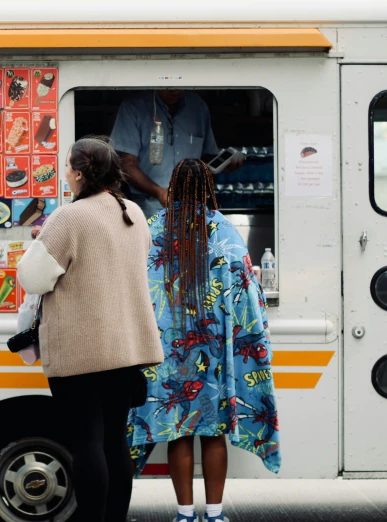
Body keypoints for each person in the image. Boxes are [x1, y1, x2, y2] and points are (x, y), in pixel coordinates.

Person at [17, 136, 164, 522]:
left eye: (67, 167)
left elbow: (32, 279)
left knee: (86, 442)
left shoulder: (70, 215)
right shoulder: (131, 210)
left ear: (79, 173)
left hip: (82, 348)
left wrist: (37, 248)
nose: (66, 173)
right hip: (125, 347)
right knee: (115, 441)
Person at [128, 159, 281, 522]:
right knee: (213, 433)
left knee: (178, 433)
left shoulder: (153, 229)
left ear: (174, 186)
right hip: (214, 352)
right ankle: (214, 514)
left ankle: (184, 515)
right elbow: (247, 292)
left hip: (166, 351)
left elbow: (136, 286)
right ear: (209, 189)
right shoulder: (225, 230)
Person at [110, 89, 241, 218]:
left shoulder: (198, 107)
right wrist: (159, 192)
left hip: (192, 206)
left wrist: (223, 165)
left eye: (178, 85)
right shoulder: (134, 107)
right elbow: (126, 164)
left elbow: (206, 158)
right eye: (167, 86)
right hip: (148, 208)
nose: (173, 90)